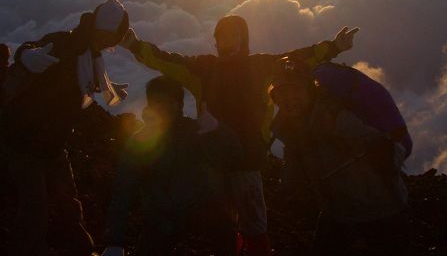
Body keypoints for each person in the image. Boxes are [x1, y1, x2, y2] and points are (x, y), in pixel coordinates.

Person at [119, 15, 359, 256]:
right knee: (222, 226)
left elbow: (299, 59)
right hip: (213, 162)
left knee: (253, 224)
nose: (226, 40)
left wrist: (334, 47)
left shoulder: (261, 67)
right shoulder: (203, 69)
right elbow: (167, 61)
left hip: (247, 161)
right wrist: (135, 45)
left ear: (243, 38)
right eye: (221, 36)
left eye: (232, 34)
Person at [2, 0, 131, 256]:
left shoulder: (91, 57)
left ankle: (81, 249)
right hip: (24, 141)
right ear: (95, 26)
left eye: (111, 39)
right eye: (104, 35)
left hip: (53, 142)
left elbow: (80, 83)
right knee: (34, 206)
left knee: (68, 202)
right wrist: (26, 55)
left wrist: (107, 86)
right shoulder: (65, 43)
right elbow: (30, 48)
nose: (106, 43)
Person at [269, 57, 411, 255]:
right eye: (281, 93)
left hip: (380, 210)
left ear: (309, 90)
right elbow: (294, 166)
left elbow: (392, 150)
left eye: (294, 91)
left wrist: (384, 153)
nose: (288, 99)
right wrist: (283, 193)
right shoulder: (292, 128)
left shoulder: (336, 116)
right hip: (338, 212)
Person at [102, 76, 242, 256]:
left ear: (179, 105)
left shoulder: (198, 132)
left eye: (168, 102)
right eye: (157, 102)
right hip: (160, 222)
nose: (162, 107)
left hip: (199, 218)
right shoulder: (141, 140)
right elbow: (123, 190)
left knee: (224, 232)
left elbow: (235, 157)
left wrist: (218, 130)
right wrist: (115, 241)